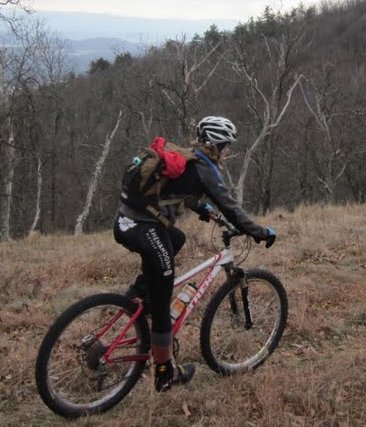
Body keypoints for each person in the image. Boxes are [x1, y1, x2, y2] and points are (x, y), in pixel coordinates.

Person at [113, 115, 277, 392]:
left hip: (126, 220)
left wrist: (202, 210)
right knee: (164, 297)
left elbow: (179, 191)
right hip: (142, 227)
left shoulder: (187, 157)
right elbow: (232, 208)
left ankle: (138, 298)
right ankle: (165, 373)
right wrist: (259, 231)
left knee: (175, 238)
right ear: (218, 144)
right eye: (226, 147)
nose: (226, 153)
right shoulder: (206, 169)